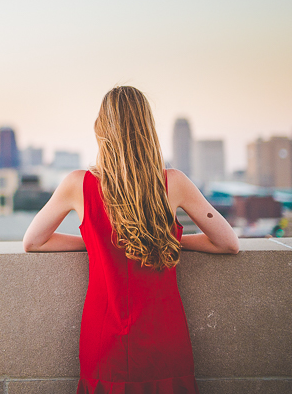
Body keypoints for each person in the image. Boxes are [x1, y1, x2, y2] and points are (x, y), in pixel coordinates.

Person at [23, 86, 239, 393]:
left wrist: (97, 242)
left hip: (104, 338)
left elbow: (34, 241)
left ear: (101, 128)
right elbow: (227, 243)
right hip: (164, 334)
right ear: (147, 128)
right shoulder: (173, 182)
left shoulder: (78, 183)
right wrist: (170, 239)